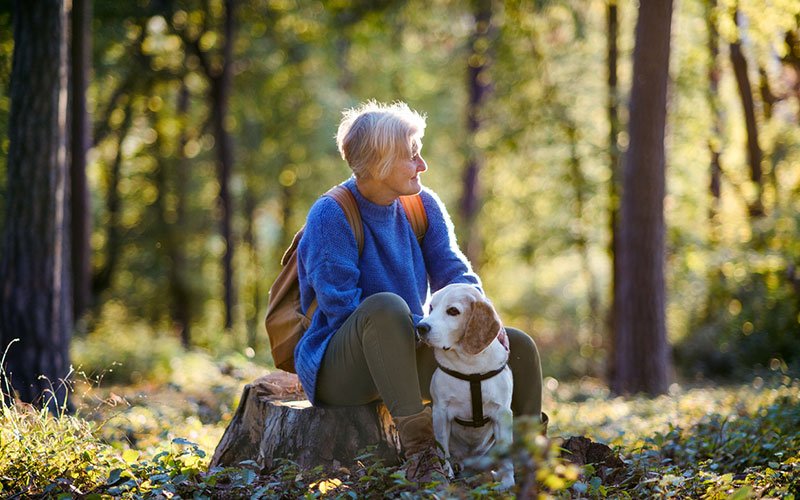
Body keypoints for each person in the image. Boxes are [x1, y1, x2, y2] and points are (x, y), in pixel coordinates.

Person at [295, 100, 545, 483]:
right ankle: (423, 455)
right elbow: (341, 307)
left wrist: (484, 320)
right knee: (386, 308)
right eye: (412, 156)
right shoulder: (331, 214)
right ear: (379, 162)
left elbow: (456, 273)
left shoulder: (422, 205)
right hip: (343, 367)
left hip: (410, 347)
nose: (422, 165)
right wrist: (423, 326)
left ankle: (527, 462)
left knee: (519, 346)